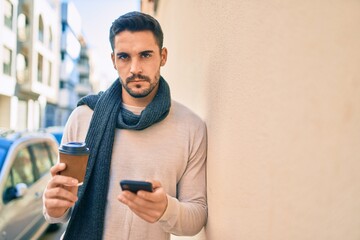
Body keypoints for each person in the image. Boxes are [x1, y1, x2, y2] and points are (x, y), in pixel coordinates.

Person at [43, 11, 207, 240]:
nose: (135, 69)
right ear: (113, 60)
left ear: (163, 56)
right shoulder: (83, 117)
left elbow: (197, 216)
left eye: (146, 55)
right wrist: (53, 207)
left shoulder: (191, 127)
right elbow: (61, 207)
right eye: (124, 57)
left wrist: (166, 209)